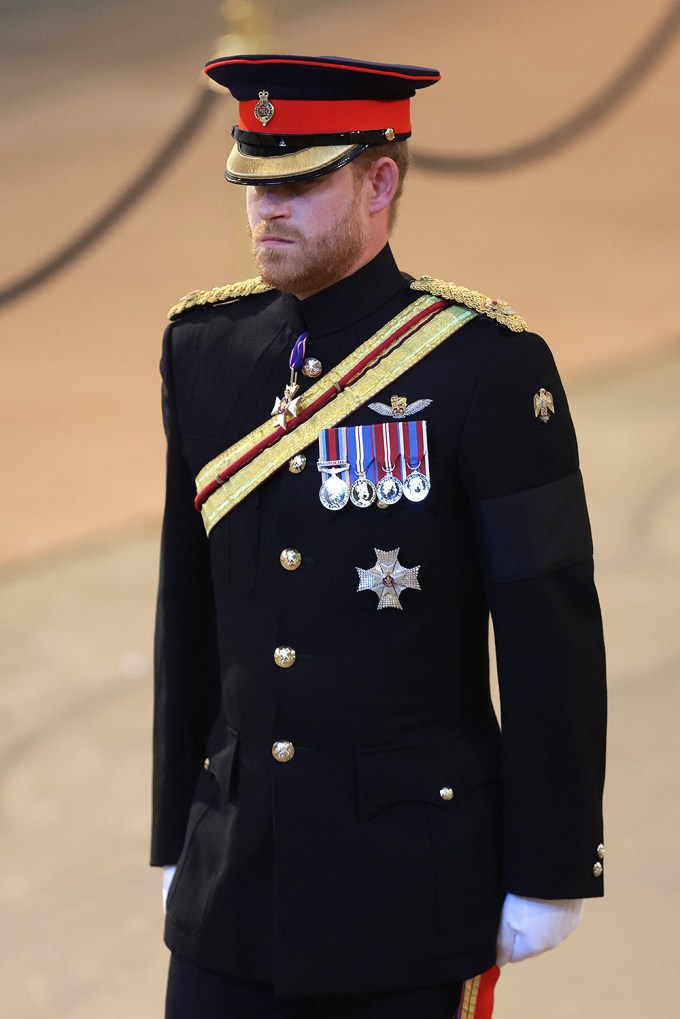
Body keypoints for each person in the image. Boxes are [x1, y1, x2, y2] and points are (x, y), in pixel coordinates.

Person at [152, 54, 606, 1019]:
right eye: (253, 182)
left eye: (300, 182)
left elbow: (548, 632)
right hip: (232, 890)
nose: (266, 209)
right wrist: (174, 832)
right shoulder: (204, 352)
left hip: (409, 887)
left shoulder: (485, 368)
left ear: (381, 180)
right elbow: (187, 615)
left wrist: (551, 865)